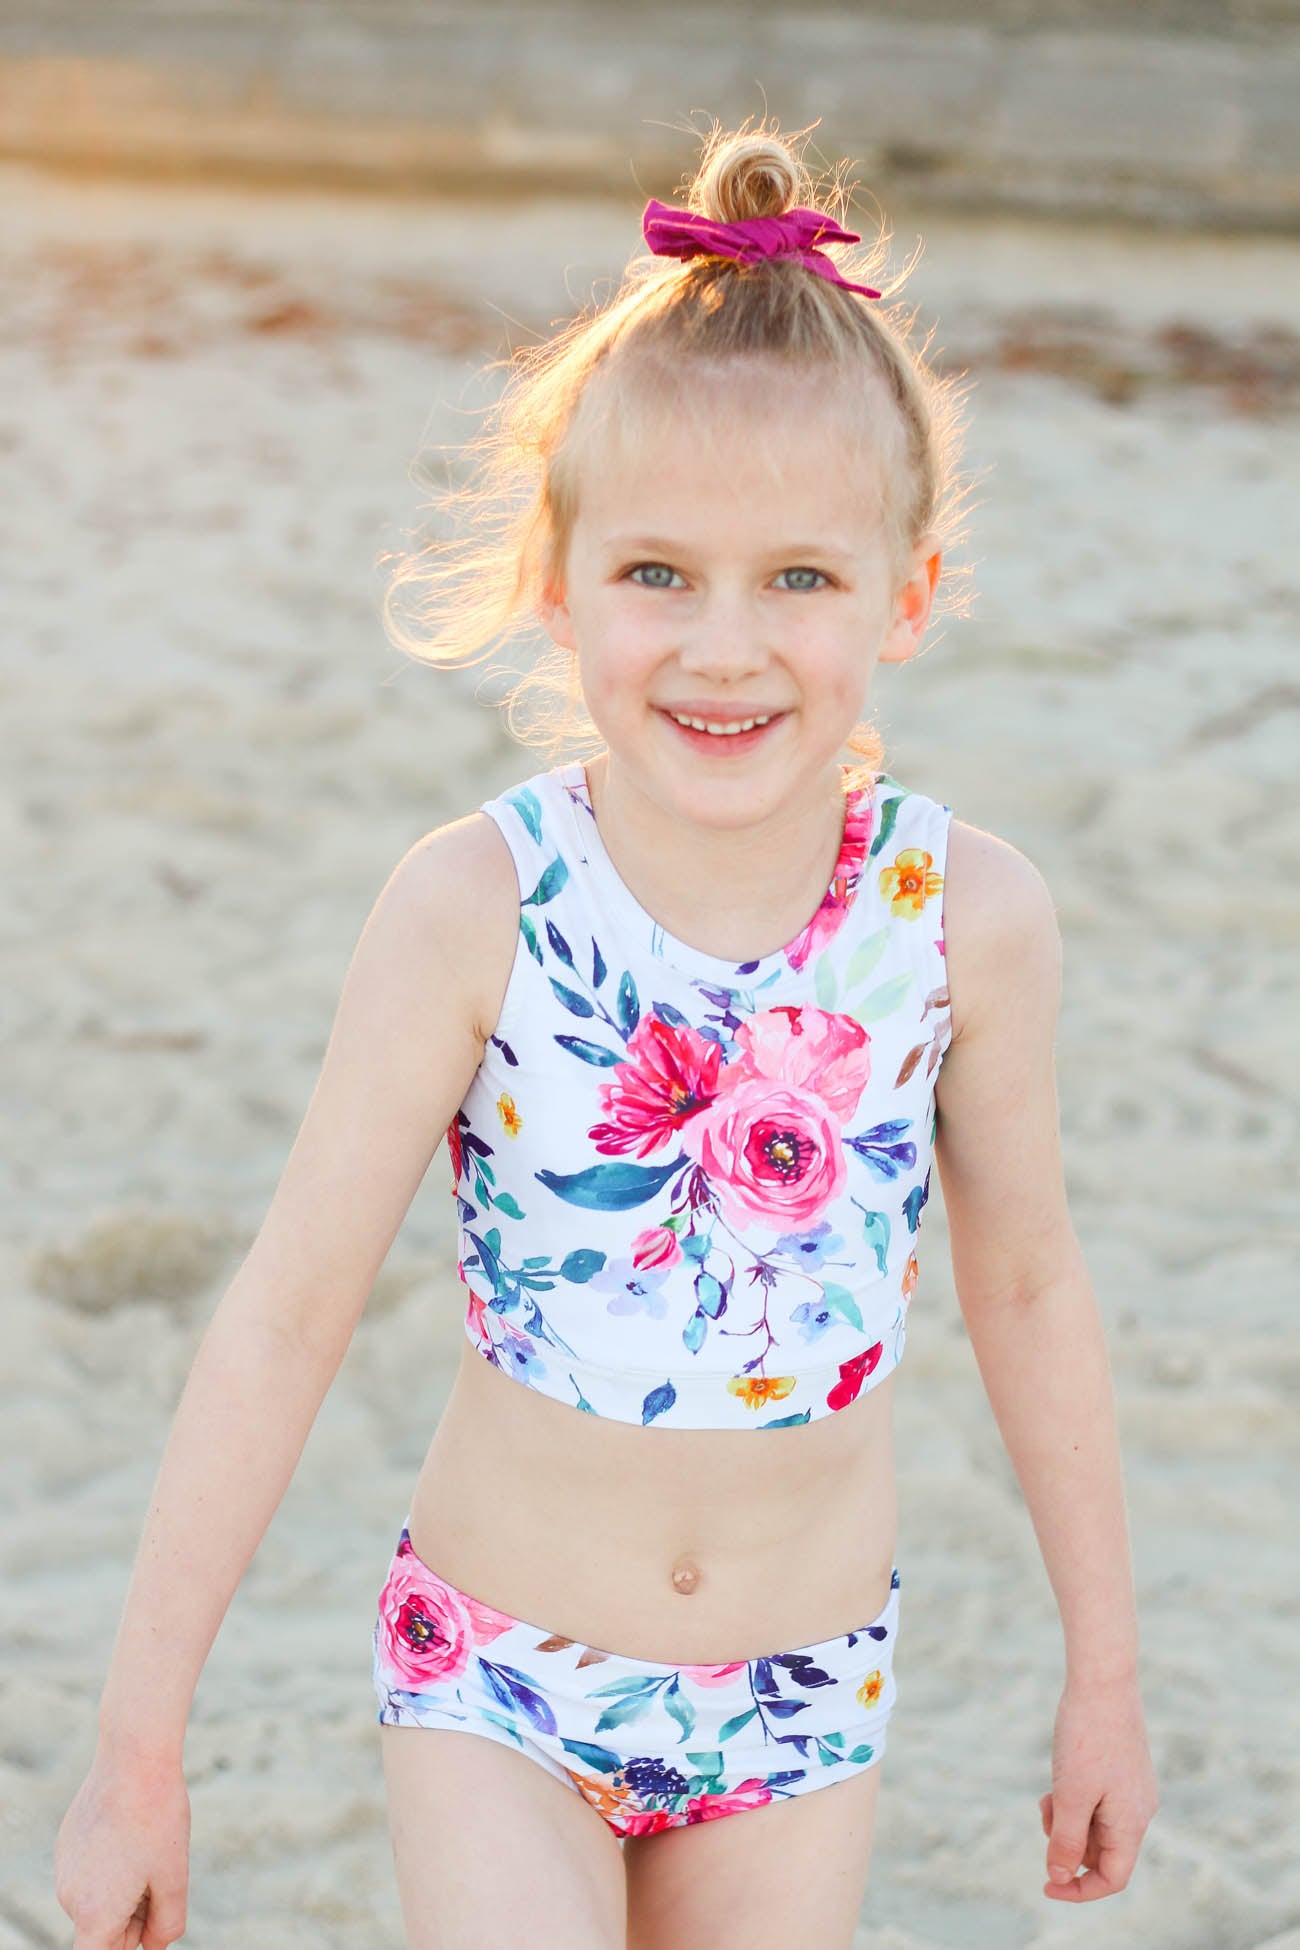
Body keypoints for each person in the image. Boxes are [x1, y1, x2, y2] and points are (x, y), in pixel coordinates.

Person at [54, 117, 1159, 1950]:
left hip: (800, 1708)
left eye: (799, 578)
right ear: (558, 583)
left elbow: (1033, 1288)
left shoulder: (967, 921)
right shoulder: (474, 906)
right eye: (658, 573)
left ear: (907, 593)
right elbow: (286, 1310)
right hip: (501, 1679)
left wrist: (1103, 1673)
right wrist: (136, 1741)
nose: (724, 646)